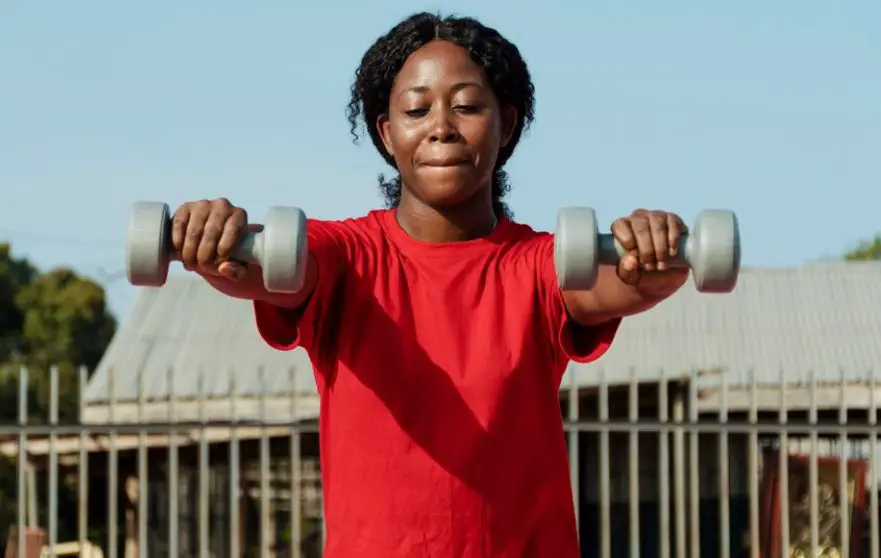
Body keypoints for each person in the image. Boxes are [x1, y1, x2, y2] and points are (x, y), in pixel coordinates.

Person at [171, 12, 689, 558]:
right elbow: (275, 267)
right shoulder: (348, 257)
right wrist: (212, 239)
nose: (441, 126)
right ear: (387, 133)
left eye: (466, 105)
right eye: (417, 109)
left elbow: (619, 284)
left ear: (506, 124)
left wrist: (655, 254)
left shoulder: (537, 265)